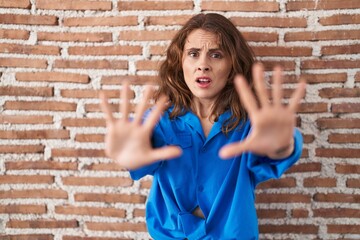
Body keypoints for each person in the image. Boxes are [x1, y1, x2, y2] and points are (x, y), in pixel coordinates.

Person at [99, 13, 306, 240]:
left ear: (232, 67)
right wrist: (128, 156)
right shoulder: (161, 120)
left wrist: (282, 145)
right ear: (181, 63)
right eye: (193, 54)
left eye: (216, 55)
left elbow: (278, 152)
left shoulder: (250, 123)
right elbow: (137, 146)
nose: (203, 65)